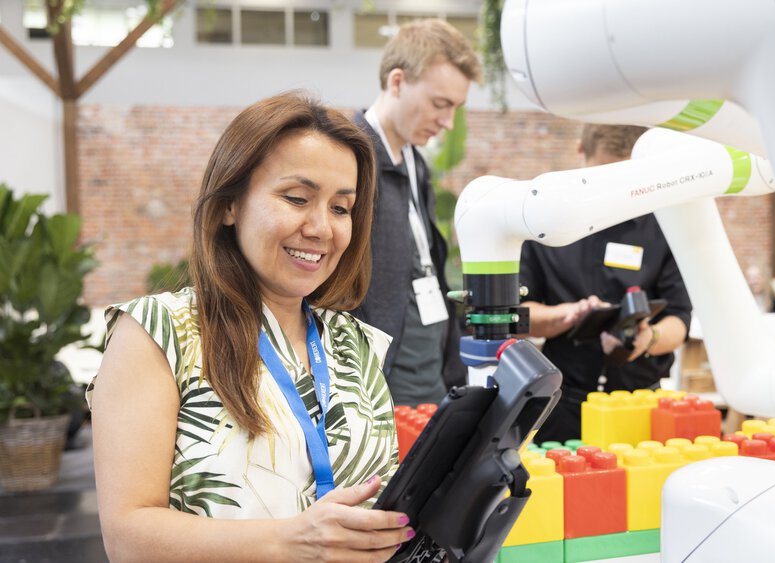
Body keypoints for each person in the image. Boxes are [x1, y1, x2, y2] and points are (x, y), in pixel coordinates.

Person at [89, 92, 413, 562]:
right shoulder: (159, 332)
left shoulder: (356, 343)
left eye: (341, 208)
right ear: (229, 204)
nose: (322, 227)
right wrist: (294, 542)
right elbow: (128, 538)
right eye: (297, 198)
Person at [519, 124, 693, 443]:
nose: (615, 190)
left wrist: (649, 337)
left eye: (625, 177)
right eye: (605, 174)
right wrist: (565, 316)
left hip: (640, 404)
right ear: (580, 153)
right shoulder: (545, 225)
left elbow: (680, 319)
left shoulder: (664, 227)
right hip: (563, 405)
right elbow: (518, 315)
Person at [352, 19, 482, 407]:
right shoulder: (351, 158)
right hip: (383, 379)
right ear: (397, 82)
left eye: (455, 108)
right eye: (440, 104)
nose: (447, 122)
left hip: (432, 367)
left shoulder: (414, 161)